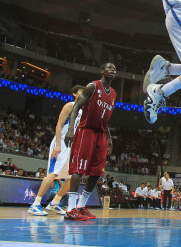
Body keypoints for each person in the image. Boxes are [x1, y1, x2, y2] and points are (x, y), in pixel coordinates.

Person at [63, 63, 117, 221]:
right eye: (109, 68)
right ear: (102, 71)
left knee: (96, 173)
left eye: (115, 69)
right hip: (86, 130)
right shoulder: (92, 86)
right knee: (78, 170)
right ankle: (71, 208)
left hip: (100, 134)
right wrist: (71, 129)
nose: (113, 71)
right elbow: (76, 107)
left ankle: (81, 206)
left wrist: (109, 138)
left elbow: (105, 119)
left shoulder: (113, 93)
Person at [28, 85, 85, 216]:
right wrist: (58, 145)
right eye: (81, 92)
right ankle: (35, 204)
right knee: (54, 173)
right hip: (62, 143)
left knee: (73, 177)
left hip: (73, 145)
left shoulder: (83, 111)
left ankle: (55, 203)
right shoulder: (70, 105)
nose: (84, 95)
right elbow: (59, 125)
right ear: (75, 94)